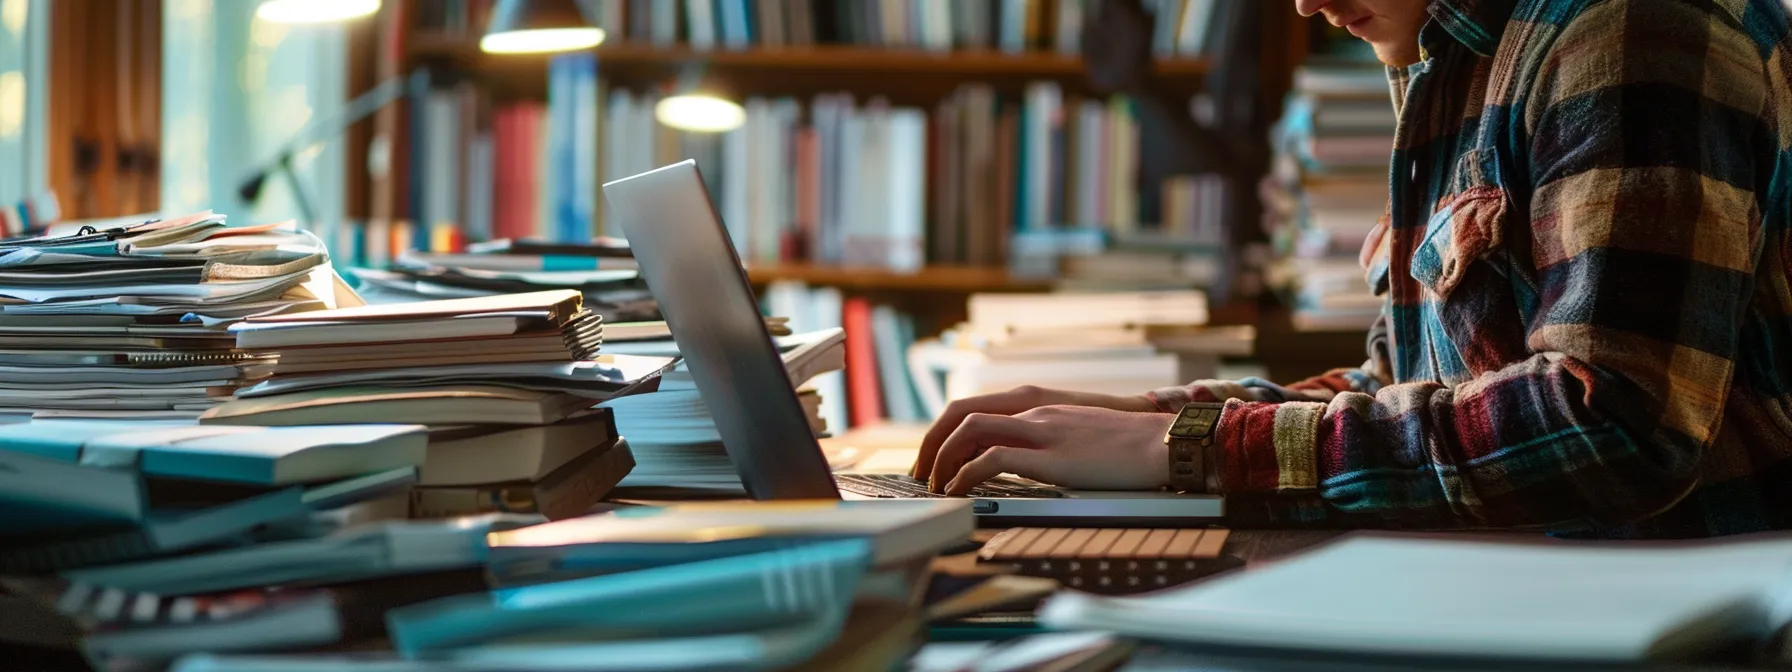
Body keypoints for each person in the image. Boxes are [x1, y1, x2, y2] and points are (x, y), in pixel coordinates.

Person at [913, 0, 1792, 539]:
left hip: (1662, 620)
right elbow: (1405, 384)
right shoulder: (1460, 52)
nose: (1305, 4)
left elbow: (1616, 426)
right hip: (1532, 584)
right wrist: (1151, 419)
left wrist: (1193, 453)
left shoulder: (1632, 26)